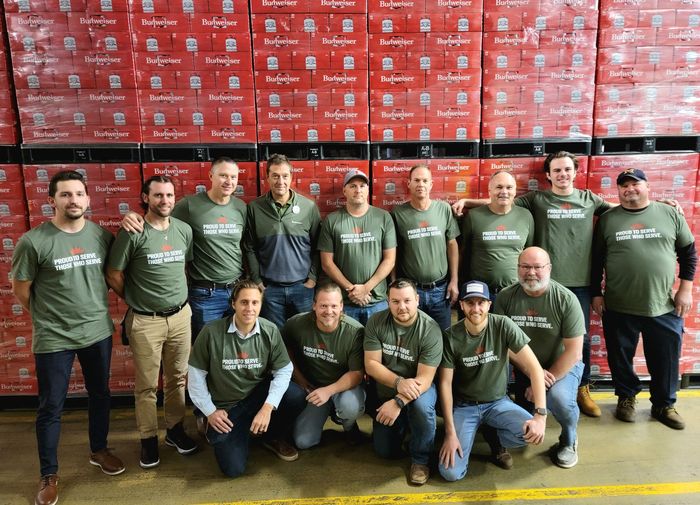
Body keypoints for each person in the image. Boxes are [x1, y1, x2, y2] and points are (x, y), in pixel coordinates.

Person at [454, 152, 610, 417]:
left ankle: (579, 388)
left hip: (575, 283)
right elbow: (501, 201)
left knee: (577, 342)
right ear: (548, 175)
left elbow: (620, 208)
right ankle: (495, 396)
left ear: (575, 172)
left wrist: (656, 204)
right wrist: (467, 200)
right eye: (557, 170)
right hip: (519, 287)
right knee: (498, 343)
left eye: (567, 170)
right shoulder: (536, 200)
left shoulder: (587, 199)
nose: (562, 174)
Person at [12, 171, 124, 505]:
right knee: (51, 407)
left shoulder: (101, 236)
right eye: (65, 195)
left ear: (88, 200)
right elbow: (21, 291)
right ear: (52, 201)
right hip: (54, 338)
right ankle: (49, 473)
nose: (72, 200)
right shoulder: (33, 241)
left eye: (78, 194)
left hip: (97, 331)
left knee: (100, 394)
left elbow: (110, 275)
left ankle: (99, 449)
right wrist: (50, 317)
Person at [591, 168, 696, 430]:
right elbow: (595, 261)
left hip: (662, 304)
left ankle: (664, 404)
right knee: (620, 356)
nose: (629, 190)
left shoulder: (669, 213)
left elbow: (688, 253)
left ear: (647, 186)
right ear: (618, 191)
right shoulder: (607, 219)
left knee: (666, 357)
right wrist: (596, 292)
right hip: (618, 303)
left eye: (635, 184)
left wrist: (686, 289)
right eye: (623, 186)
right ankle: (626, 398)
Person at [106, 175, 197, 469]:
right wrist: (136, 299)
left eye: (169, 195)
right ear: (146, 198)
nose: (165, 201)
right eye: (158, 195)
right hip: (146, 321)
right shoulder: (133, 232)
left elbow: (184, 266)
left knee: (177, 379)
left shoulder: (183, 230)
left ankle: (175, 431)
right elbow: (113, 274)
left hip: (181, 316)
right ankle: (147, 440)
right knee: (146, 386)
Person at [187, 280, 307, 477]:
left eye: (255, 303)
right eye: (244, 302)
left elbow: (284, 370)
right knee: (233, 469)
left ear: (261, 304)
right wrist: (210, 411)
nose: (249, 308)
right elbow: (195, 377)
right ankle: (232, 430)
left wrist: (268, 408)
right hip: (227, 407)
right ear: (233, 304)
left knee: (295, 395)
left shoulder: (270, 330)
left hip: (256, 397)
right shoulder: (211, 332)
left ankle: (271, 436)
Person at [122, 157, 247, 341]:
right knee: (205, 351)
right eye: (223, 175)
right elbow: (159, 217)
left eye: (233, 177)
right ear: (210, 175)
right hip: (205, 294)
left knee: (234, 349)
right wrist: (133, 216)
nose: (229, 181)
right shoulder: (189, 206)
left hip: (237, 291)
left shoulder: (241, 207)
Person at [439, 281, 547, 482]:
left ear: (489, 304)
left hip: (498, 402)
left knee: (531, 434)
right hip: (465, 406)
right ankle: (469, 436)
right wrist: (450, 432)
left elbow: (535, 369)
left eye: (481, 302)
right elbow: (445, 384)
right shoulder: (450, 336)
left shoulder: (503, 324)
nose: (476, 308)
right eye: (470, 303)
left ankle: (494, 436)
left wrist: (540, 416)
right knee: (450, 473)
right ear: (461, 305)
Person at [494, 247, 585, 469]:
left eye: (537, 267)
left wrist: (542, 382)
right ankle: (492, 432)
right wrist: (533, 375)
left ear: (549, 269)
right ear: (517, 269)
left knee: (561, 399)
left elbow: (574, 351)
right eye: (525, 267)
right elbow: (502, 345)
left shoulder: (566, 299)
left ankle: (568, 440)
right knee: (490, 366)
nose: (531, 272)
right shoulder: (506, 297)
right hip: (525, 367)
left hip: (560, 367)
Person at [364, 279, 443, 485]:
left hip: (420, 388)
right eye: (395, 301)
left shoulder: (430, 329)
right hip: (389, 389)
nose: (402, 307)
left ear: (417, 300)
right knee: (385, 452)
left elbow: (425, 378)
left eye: (407, 300)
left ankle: (420, 459)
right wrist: (398, 383)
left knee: (421, 405)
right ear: (388, 302)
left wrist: (398, 401)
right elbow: (371, 364)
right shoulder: (376, 322)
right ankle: (404, 426)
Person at [282, 281, 365, 449]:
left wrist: (329, 391)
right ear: (314, 306)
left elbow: (356, 374)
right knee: (303, 442)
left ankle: (349, 426)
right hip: (314, 388)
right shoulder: (296, 324)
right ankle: (325, 413)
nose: (329, 311)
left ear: (342, 306)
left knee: (349, 407)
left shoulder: (355, 331)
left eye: (334, 306)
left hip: (343, 388)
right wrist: (299, 378)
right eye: (323, 305)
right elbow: (285, 349)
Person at [244, 154, 321, 328]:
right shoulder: (255, 208)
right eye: (275, 176)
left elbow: (318, 246)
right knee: (274, 339)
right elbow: (249, 247)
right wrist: (257, 281)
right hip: (270, 290)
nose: (280, 181)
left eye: (285, 176)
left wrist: (312, 279)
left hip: (302, 288)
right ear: (267, 178)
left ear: (292, 177)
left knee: (304, 339)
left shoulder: (308, 207)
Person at [319, 169, 397, 325]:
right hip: (344, 303)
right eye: (353, 186)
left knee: (377, 348)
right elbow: (326, 263)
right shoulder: (331, 220)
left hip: (377, 301)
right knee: (346, 348)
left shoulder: (383, 217)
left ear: (368, 189)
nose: (358, 190)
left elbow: (390, 260)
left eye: (362, 185)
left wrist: (366, 288)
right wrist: (352, 290)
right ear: (344, 191)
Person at [391, 164, 460, 329]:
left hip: (441, 291)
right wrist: (393, 283)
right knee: (411, 340)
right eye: (416, 180)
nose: (420, 184)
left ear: (431, 184)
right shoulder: (398, 214)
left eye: (424, 180)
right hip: (410, 292)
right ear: (409, 184)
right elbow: (393, 251)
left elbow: (452, 245)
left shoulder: (443, 209)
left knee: (443, 338)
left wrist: (454, 280)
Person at [460, 171, 534, 301]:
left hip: (514, 292)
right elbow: (463, 253)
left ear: (515, 191)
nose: (504, 191)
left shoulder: (526, 216)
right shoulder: (474, 216)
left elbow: (529, 253)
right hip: (481, 295)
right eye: (499, 187)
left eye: (509, 187)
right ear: (489, 191)